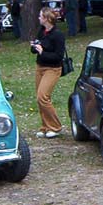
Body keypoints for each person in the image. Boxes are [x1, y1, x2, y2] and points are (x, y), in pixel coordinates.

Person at [31, 7, 65, 139]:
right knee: (40, 98)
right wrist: (34, 47)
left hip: (53, 69)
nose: (38, 18)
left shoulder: (58, 35)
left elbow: (58, 56)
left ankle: (56, 127)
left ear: (46, 19)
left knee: (43, 96)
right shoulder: (42, 31)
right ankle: (45, 127)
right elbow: (35, 49)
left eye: (40, 16)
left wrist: (42, 52)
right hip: (40, 67)